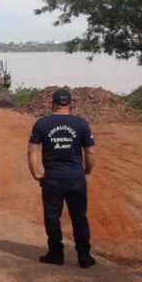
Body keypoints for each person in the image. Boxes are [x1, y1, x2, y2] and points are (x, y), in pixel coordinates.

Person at [27, 87, 97, 268]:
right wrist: (87, 171)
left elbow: (32, 151)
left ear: (53, 104)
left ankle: (56, 254)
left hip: (52, 179)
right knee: (79, 217)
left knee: (52, 217)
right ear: (70, 104)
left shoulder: (42, 124)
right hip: (76, 178)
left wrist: (36, 173)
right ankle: (84, 257)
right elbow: (90, 152)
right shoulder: (81, 124)